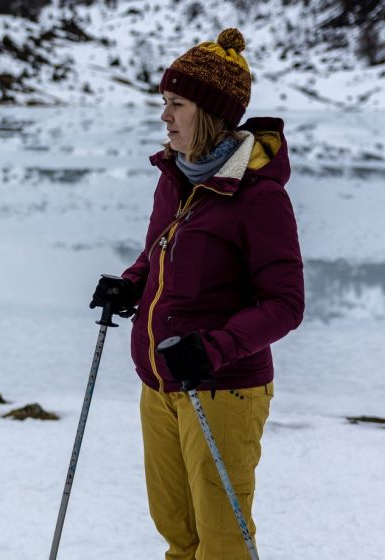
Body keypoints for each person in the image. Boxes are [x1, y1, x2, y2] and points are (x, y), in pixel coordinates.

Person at [90, 28, 304, 560]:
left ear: (208, 113)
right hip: (159, 383)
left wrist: (212, 349)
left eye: (176, 104)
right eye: (164, 102)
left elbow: (285, 304)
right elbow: (159, 252)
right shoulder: (175, 177)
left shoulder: (258, 197)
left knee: (222, 542)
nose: (165, 116)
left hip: (222, 389)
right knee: (177, 533)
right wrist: (130, 284)